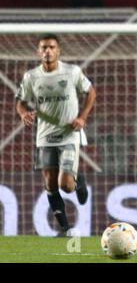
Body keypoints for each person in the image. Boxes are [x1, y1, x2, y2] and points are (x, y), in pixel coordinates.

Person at [16, 33, 96, 236]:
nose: (47, 51)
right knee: (50, 183)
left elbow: (91, 92)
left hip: (69, 134)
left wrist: (82, 117)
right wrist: (24, 113)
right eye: (43, 48)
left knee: (65, 185)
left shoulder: (72, 72)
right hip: (44, 136)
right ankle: (66, 228)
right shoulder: (31, 77)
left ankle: (78, 182)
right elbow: (20, 101)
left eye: (51, 47)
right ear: (38, 52)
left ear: (59, 51)